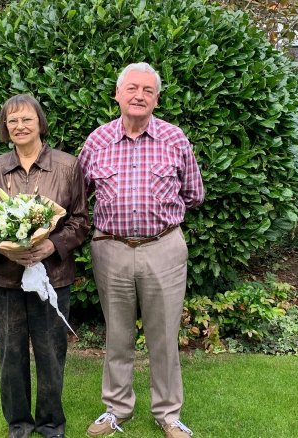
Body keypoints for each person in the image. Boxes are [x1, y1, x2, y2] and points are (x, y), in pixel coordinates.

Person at [78, 62, 204, 438]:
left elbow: (194, 193)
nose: (139, 96)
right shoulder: (97, 140)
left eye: (148, 91)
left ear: (157, 98)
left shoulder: (174, 138)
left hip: (163, 248)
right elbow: (77, 196)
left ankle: (168, 414)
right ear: (117, 95)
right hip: (110, 249)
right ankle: (116, 409)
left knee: (164, 335)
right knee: (117, 334)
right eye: (132, 88)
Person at [0, 94, 90, 438]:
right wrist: (4, 250)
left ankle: (51, 423)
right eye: (12, 121)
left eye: (26, 119)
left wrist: (52, 244)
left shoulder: (67, 166)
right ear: (5, 128)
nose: (19, 126)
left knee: (51, 352)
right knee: (11, 354)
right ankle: (19, 424)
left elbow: (80, 220)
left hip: (52, 277)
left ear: (40, 122)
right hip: (6, 279)